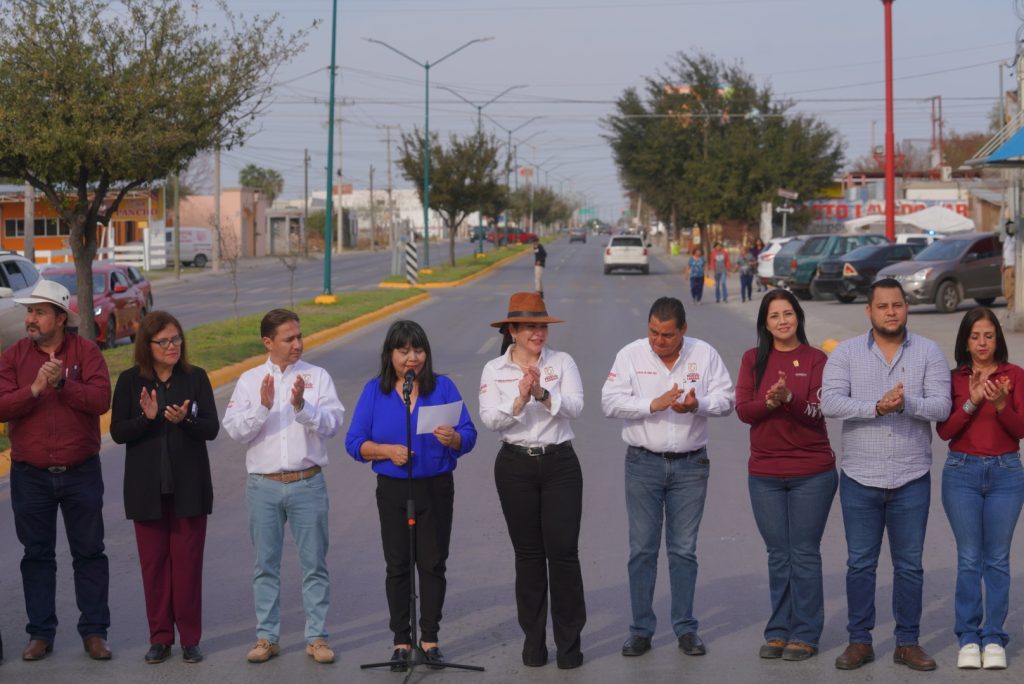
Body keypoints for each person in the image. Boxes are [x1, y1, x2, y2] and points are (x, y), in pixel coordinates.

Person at [821, 278, 951, 672]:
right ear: (869, 311)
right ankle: (859, 640)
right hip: (861, 476)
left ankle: (907, 643)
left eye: (897, 305)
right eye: (883, 306)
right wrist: (876, 407)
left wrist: (906, 402)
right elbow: (829, 401)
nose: (891, 312)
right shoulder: (845, 354)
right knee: (860, 563)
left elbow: (942, 407)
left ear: (906, 308)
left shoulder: (928, 352)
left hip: (912, 476)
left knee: (909, 565)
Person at [601, 296, 734, 659]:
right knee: (642, 550)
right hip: (643, 463)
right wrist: (651, 405)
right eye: (653, 333)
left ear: (683, 331)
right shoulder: (630, 355)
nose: (659, 341)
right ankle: (641, 630)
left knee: (683, 550)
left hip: (691, 466)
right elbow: (609, 402)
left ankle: (686, 628)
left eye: (667, 335)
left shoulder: (704, 354)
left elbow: (727, 399)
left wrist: (698, 405)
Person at [345, 320, 477, 671]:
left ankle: (430, 639)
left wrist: (453, 439)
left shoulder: (443, 387)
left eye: (418, 350)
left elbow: (469, 434)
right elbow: (354, 442)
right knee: (398, 565)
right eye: (403, 351)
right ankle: (401, 641)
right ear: (390, 355)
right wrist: (387, 451)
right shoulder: (376, 391)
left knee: (432, 563)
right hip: (393, 488)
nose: (412, 358)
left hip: (435, 486)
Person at [222, 308, 344, 665]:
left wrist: (302, 408)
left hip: (307, 483)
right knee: (265, 565)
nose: (298, 344)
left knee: (314, 565)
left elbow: (333, 424)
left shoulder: (317, 377)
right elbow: (236, 430)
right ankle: (267, 637)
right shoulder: (249, 380)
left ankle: (317, 637)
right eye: (289, 338)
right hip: (264, 486)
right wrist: (262, 407)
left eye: (299, 336)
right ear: (268, 342)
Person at [0, 280, 113, 661]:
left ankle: (95, 632)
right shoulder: (14, 356)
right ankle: (40, 633)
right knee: (36, 556)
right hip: (30, 475)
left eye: (39, 312)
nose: (30, 319)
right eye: (29, 312)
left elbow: (100, 400)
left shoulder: (87, 352)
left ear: (60, 317)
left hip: (81, 471)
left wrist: (64, 383)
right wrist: (33, 389)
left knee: (89, 553)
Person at [478, 292, 586, 670]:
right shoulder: (495, 370)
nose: (538, 333)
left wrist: (541, 392)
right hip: (515, 465)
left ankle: (570, 644)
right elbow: (491, 419)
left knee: (563, 553)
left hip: (560, 464)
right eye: (529, 327)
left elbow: (575, 406)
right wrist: (519, 401)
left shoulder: (562, 362)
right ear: (512, 330)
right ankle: (534, 641)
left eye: (541, 326)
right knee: (528, 557)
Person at [109, 311, 219, 665]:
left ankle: (190, 639)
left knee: (188, 567)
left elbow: (211, 428)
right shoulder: (129, 382)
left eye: (176, 340)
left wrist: (184, 419)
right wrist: (147, 419)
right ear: (148, 346)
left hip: (189, 490)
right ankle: (159, 638)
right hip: (147, 491)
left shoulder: (196, 378)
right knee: (154, 568)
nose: (172, 346)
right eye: (164, 341)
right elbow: (117, 432)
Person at [735, 290, 836, 661]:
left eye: (788, 314)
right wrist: (770, 402)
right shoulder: (752, 360)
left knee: (804, 553)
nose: (782, 321)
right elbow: (745, 410)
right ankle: (779, 630)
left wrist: (788, 401)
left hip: (812, 472)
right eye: (775, 315)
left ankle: (806, 632)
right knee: (779, 555)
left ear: (799, 318)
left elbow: (819, 412)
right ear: (765, 322)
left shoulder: (816, 359)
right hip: (764, 473)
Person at [936, 307, 1024, 670]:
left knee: (998, 560)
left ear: (997, 339)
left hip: (1006, 472)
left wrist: (1002, 404)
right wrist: (973, 400)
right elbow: (945, 431)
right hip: (962, 473)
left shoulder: (1013, 375)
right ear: (965, 340)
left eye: (988, 335)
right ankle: (968, 636)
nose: (982, 342)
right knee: (970, 558)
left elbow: (1019, 430)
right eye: (975, 336)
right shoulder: (955, 378)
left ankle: (994, 636)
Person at [1002, 219, 1015, 316]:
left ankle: (1012, 307)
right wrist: (1003, 264)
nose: (1008, 229)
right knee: (1007, 289)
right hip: (1007, 267)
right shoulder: (1007, 239)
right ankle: (1010, 306)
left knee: (1012, 288)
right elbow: (1006, 253)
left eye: (1009, 227)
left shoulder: (1016, 239)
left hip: (1013, 267)